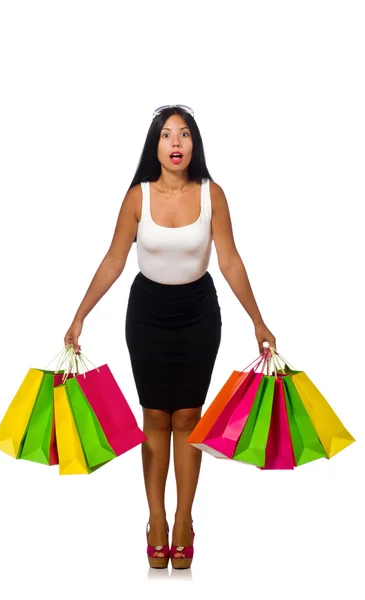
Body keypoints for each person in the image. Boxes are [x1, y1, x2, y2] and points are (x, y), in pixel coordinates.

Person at [63, 104, 276, 570]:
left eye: (183, 134)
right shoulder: (137, 197)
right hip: (147, 317)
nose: (175, 143)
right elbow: (114, 260)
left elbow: (231, 262)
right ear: (155, 146)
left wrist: (258, 321)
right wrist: (80, 316)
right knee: (155, 415)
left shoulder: (212, 194)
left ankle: (184, 520)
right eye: (166, 135)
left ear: (194, 144)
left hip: (199, 315)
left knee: (189, 418)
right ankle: (155, 519)